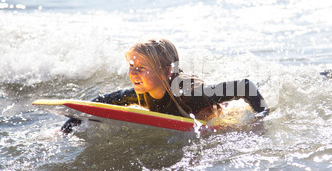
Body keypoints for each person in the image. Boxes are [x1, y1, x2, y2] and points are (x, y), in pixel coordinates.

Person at [62, 38, 269, 133]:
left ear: (167, 71)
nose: (133, 73)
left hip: (210, 112)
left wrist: (261, 119)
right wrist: (65, 129)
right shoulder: (139, 93)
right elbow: (98, 104)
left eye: (141, 68)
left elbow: (245, 87)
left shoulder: (191, 94)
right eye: (131, 65)